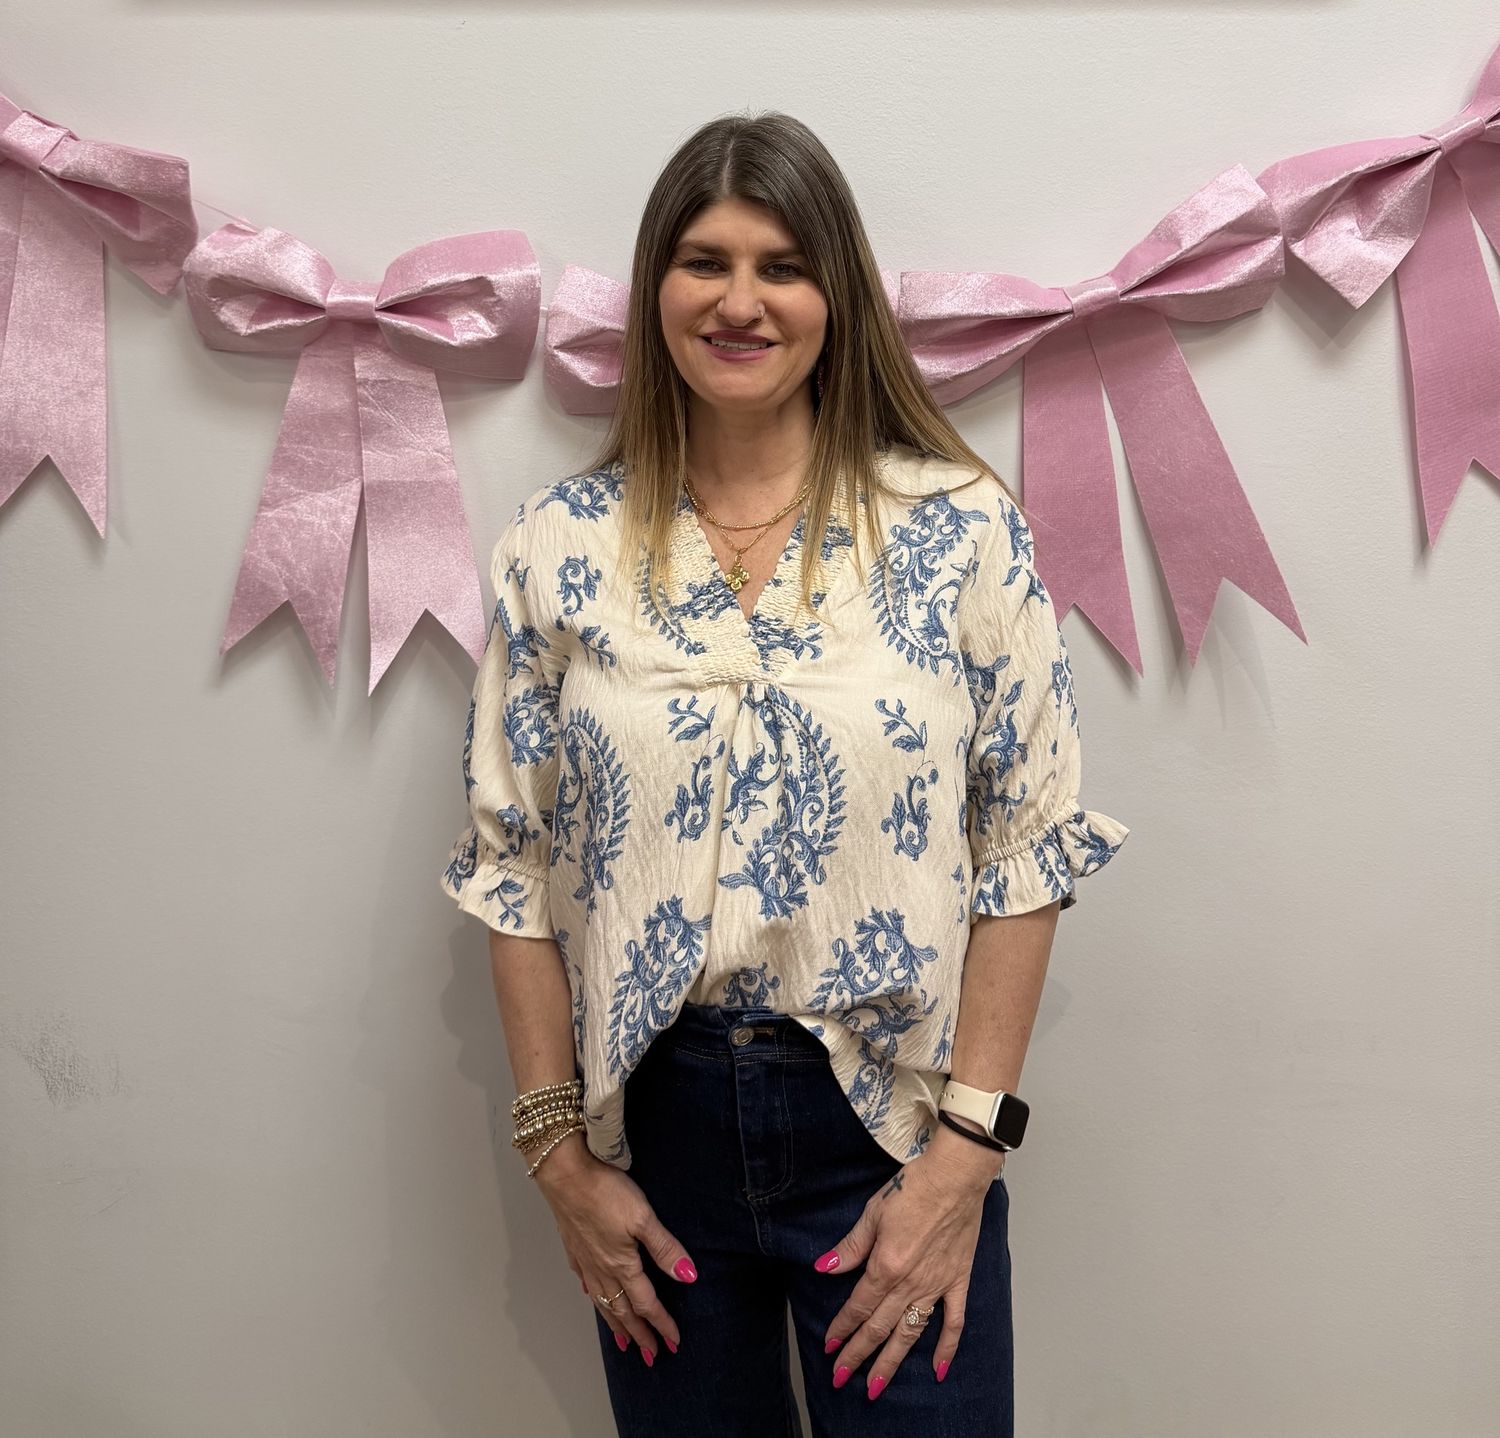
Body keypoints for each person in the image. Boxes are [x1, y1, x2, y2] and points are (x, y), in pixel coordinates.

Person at [439, 110, 1130, 1437]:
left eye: (783, 264)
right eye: (705, 260)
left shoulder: (959, 530)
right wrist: (554, 1158)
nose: (742, 300)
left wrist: (967, 1158)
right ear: (655, 293)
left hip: (888, 1135)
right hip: (658, 1138)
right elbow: (509, 871)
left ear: (837, 299)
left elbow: (1026, 853)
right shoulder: (559, 549)